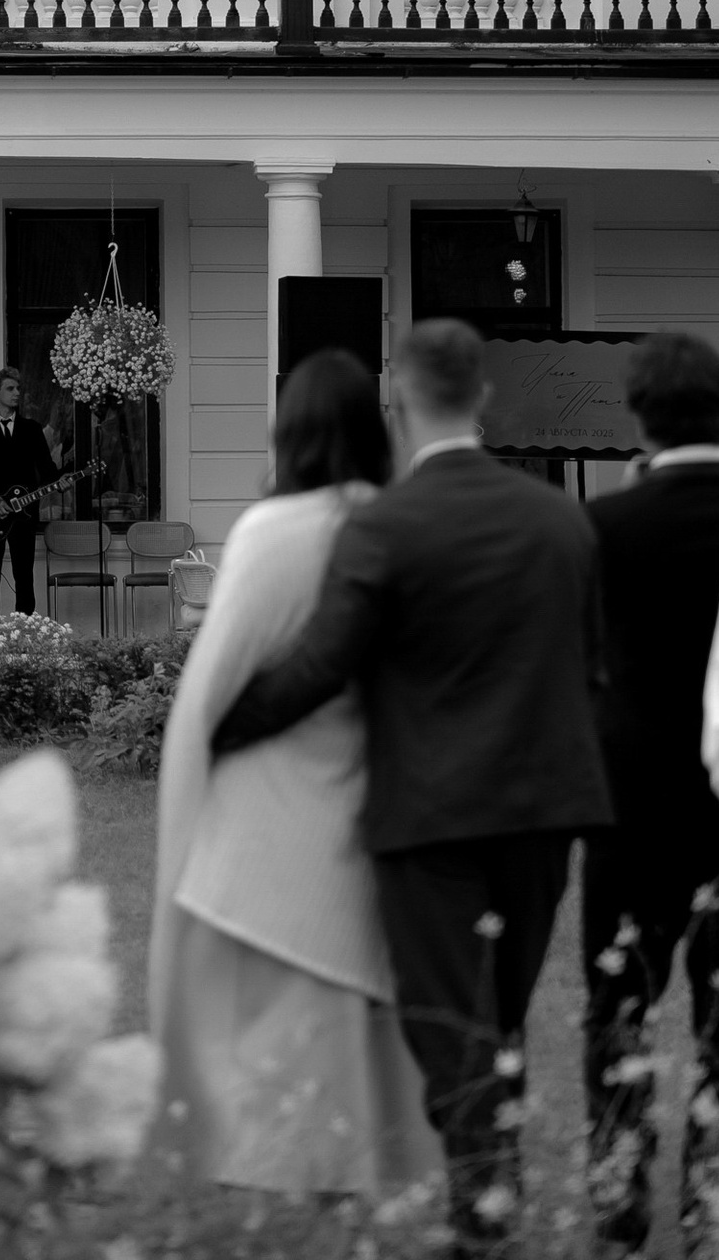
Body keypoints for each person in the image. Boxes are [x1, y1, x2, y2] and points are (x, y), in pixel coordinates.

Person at [212, 319, 611, 1256]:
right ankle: (492, 1201)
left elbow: (319, 666)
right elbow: (592, 668)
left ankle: (485, 1225)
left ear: (398, 397)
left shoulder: (386, 524)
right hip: (544, 811)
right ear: (483, 396)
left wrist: (215, 725)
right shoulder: (561, 519)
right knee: (498, 1018)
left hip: (432, 812)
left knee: (451, 1027)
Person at [151, 351, 439, 1196]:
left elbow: (213, 682)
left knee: (262, 1016)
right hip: (362, 789)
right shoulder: (397, 525)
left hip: (261, 803)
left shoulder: (272, 531)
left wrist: (194, 762)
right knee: (337, 1009)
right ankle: (349, 1169)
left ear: (292, 436)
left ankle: (269, 1175)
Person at [592, 332, 719, 1247]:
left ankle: (620, 1193)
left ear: (640, 416)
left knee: (619, 1005)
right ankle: (711, 1196)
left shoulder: (605, 527)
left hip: (631, 800)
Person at [0, 367, 58, 615]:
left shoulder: (32, 429)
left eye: (18, 388)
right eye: (10, 388)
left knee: (24, 573)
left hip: (24, 513)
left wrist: (61, 480)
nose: (17, 393)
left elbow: (47, 469)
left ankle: (24, 628)